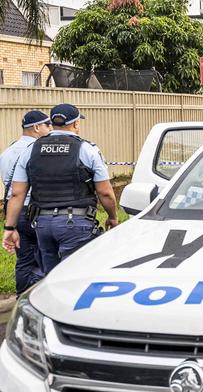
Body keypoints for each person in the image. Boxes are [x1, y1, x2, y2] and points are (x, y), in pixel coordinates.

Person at [2, 104, 119, 274]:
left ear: (53, 123)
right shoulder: (87, 149)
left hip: (42, 225)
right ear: (76, 124)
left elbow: (17, 193)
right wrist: (113, 217)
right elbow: (105, 192)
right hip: (76, 224)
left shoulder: (31, 150)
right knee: (77, 276)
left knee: (51, 279)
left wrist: (10, 228)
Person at [0, 111, 51, 294]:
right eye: (48, 125)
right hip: (36, 211)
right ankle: (41, 298)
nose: (51, 129)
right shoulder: (39, 151)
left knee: (24, 260)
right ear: (37, 127)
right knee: (47, 257)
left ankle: (21, 297)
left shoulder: (6, 152)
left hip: (14, 212)